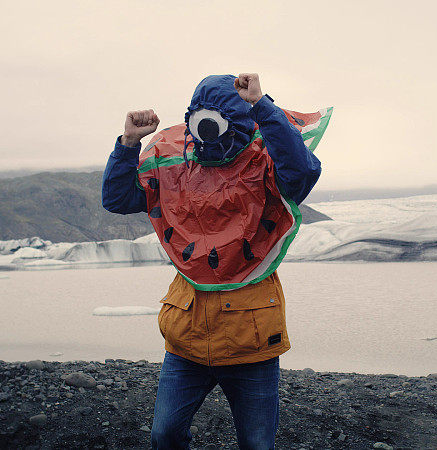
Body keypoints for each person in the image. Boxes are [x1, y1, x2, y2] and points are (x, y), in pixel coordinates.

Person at [101, 73, 331, 449]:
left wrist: (261, 106)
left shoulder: (264, 162)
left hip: (252, 339)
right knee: (164, 435)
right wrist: (128, 143)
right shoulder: (173, 162)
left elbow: (302, 172)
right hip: (187, 336)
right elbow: (117, 199)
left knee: (257, 444)